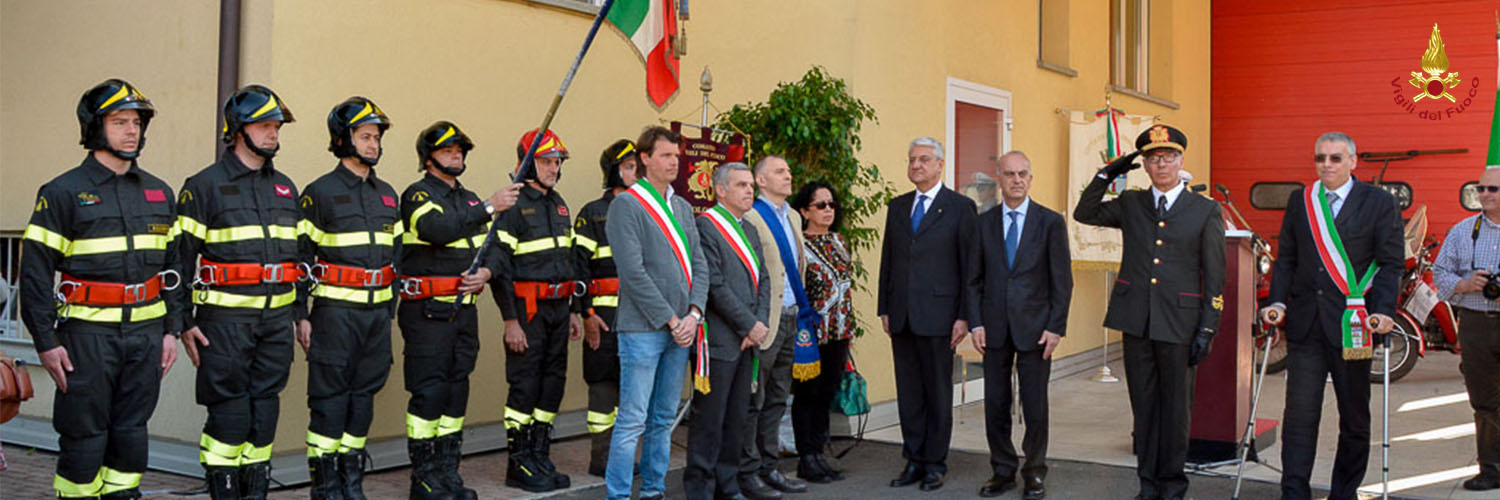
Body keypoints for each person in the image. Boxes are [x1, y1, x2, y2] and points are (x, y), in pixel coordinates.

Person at [20, 79, 184, 499]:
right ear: (95, 127)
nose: (132, 131)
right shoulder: (62, 193)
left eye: (136, 122)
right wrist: (46, 342)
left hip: (146, 338)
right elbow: (36, 276)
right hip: (85, 341)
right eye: (119, 122)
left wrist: (171, 330)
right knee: (84, 436)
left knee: (131, 435)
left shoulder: (160, 193)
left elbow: (174, 267)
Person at [1073, 125, 1225, 500]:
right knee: (1144, 408)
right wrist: (1110, 172)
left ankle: (1172, 487)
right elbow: (1084, 212)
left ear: (1181, 161)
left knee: (1175, 412)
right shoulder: (1132, 203)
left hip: (1180, 324)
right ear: (1145, 164)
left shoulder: (1204, 210)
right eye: (1154, 159)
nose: (1162, 165)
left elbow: (1215, 276)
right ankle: (1147, 485)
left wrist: (1208, 328)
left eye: (1169, 157)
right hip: (1136, 320)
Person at [178, 84, 308, 500]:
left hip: (275, 322)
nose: (274, 134)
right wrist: (181, 323)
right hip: (225, 324)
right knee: (230, 414)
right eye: (265, 126)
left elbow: (301, 260)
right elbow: (179, 262)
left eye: (276, 127)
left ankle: (254, 493)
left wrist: (299, 313)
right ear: (237, 130)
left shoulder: (287, 187)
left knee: (265, 409)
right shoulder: (203, 186)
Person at [1260, 132, 1403, 500]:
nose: (1326, 165)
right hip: (1307, 326)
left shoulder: (1378, 202)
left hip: (1353, 327)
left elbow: (1390, 264)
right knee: (1299, 416)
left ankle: (1344, 492)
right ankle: (1294, 492)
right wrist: (1278, 301)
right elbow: (1287, 258)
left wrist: (1384, 310)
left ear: (1354, 162)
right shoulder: (1301, 201)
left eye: (1335, 158)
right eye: (1320, 158)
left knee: (1354, 418)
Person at [397, 121, 518, 500]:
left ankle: (448, 473)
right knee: (428, 395)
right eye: (449, 150)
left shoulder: (469, 200)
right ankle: (424, 477)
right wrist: (488, 207)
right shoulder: (417, 196)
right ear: (428, 156)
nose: (457, 155)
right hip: (427, 315)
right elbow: (437, 228)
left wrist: (486, 270)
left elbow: (496, 247)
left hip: (463, 314)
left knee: (455, 395)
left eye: (461, 150)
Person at [297, 96, 398, 499]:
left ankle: (351, 482)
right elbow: (301, 259)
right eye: (365, 137)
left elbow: (399, 255)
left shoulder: (388, 194)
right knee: (329, 400)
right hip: (334, 316)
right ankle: (325, 486)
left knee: (363, 398)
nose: (373, 145)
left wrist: (388, 309)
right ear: (343, 140)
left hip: (375, 316)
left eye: (376, 137)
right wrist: (299, 314)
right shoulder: (318, 193)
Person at [604, 125, 708, 500]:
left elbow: (700, 264)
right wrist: (672, 318)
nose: (674, 163)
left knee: (663, 419)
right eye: (666, 155)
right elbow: (632, 271)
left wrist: (694, 313)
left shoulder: (681, 206)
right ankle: (617, 495)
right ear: (645, 158)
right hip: (644, 329)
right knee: (632, 420)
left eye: (677, 157)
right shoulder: (627, 205)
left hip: (682, 328)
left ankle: (653, 490)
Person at [878, 137, 980, 493]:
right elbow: (888, 260)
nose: (916, 166)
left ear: (940, 164)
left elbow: (970, 267)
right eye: (912, 160)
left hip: (940, 316)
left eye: (924, 160)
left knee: (937, 392)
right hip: (902, 315)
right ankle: (914, 459)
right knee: (909, 392)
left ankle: (935, 463)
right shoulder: (898, 206)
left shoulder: (960, 207)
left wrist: (964, 316)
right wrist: (884, 307)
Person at [967, 151, 1072, 499]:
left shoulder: (1050, 222)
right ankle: (1002, 471)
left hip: (1037, 329)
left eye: (1022, 173)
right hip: (994, 329)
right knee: (995, 403)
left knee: (1035, 406)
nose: (1016, 180)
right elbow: (973, 280)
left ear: (1030, 177)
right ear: (999, 178)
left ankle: (1035, 472)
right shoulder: (984, 223)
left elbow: (1062, 280)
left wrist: (1056, 326)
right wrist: (977, 322)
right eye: (1009, 174)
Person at [491, 128, 586, 492]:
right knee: (525, 387)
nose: (554, 168)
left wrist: (575, 310)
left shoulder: (559, 204)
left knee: (552, 386)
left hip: (559, 311)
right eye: (547, 161)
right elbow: (499, 268)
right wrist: (510, 320)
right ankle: (519, 463)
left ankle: (539, 453)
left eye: (557, 161)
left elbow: (571, 261)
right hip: (527, 313)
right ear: (528, 163)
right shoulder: (513, 205)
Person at [684, 162, 773, 500]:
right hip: (720, 340)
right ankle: (700, 489)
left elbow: (763, 278)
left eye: (751, 185)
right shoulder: (706, 226)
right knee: (710, 419)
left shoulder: (749, 228)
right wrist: (748, 323)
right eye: (741, 185)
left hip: (749, 338)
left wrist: (759, 323)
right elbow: (715, 286)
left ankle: (728, 483)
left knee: (738, 416)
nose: (750, 190)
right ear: (720, 190)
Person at [740, 155, 812, 499]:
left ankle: (771, 468)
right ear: (761, 181)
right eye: (780, 171)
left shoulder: (794, 216)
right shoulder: (751, 217)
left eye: (789, 169)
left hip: (790, 318)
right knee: (755, 398)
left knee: (778, 398)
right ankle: (748, 470)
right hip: (763, 323)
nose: (789, 175)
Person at [572, 139, 638, 477]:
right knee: (602, 388)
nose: (635, 173)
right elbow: (578, 267)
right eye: (628, 167)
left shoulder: (650, 210)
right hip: (604, 318)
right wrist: (587, 314)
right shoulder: (593, 213)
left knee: (634, 391)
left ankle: (625, 457)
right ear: (613, 171)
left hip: (640, 320)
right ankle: (602, 459)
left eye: (637, 167)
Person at [1433, 166, 1500, 491]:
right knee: (1484, 400)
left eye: (1492, 189)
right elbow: (1439, 276)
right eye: (1481, 189)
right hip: (1475, 325)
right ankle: (1491, 469)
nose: (1484, 195)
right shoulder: (1462, 231)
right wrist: (1466, 283)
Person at [789, 181, 855, 483]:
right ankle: (807, 457)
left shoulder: (840, 241)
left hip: (839, 331)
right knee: (807, 395)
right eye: (821, 205)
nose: (829, 210)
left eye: (832, 205)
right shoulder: (798, 244)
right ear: (804, 211)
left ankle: (819, 452)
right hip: (811, 333)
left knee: (827, 393)